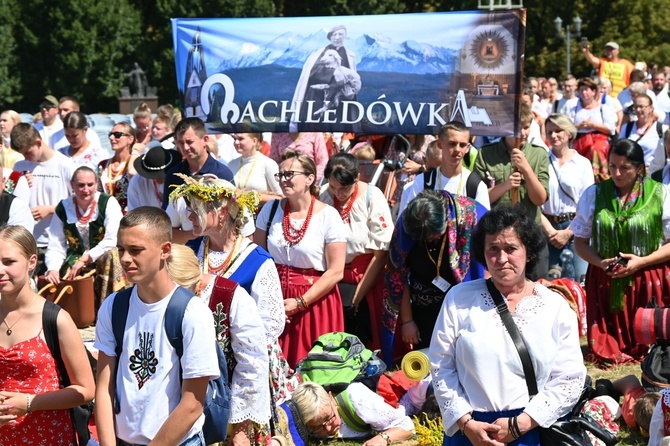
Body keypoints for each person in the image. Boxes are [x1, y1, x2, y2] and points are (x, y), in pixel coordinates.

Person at [430, 205, 586, 445]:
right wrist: (466, 423)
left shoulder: (554, 307)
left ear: (529, 252)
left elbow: (570, 377)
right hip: (470, 433)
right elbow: (441, 366)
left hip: (530, 430)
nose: (501, 259)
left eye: (511, 248)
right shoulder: (458, 299)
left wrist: (521, 423)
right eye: (493, 249)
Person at [94, 206, 219, 446]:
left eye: (135, 250)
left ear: (165, 250)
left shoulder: (191, 313)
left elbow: (192, 404)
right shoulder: (114, 306)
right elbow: (104, 387)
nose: (124, 259)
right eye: (121, 249)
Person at [171, 174, 300, 403]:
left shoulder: (258, 260)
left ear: (221, 213)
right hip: (193, 356)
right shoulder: (191, 249)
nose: (189, 215)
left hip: (241, 365)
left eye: (196, 209)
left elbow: (270, 326)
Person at [571, 139, 670, 366]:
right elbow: (580, 242)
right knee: (608, 346)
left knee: (650, 339)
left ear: (639, 168)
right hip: (606, 276)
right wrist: (600, 263)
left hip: (648, 276)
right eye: (612, 166)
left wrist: (642, 261)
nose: (616, 173)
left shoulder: (660, 194)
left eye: (624, 168)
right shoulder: (594, 194)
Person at [166, 245, 271, 446]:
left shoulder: (232, 297)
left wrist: (240, 429)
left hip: (225, 412)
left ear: (195, 287)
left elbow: (252, 365)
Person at [0, 225, 95, 445]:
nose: (0, 270)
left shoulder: (55, 319)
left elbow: (86, 389)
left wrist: (31, 402)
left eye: (9, 262)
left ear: (32, 262)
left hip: (48, 437)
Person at [255, 149, 347, 368]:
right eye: (280, 174)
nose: (283, 180)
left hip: (314, 302)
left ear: (309, 178)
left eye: (289, 174)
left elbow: (336, 271)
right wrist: (269, 303)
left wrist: (300, 302)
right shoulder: (270, 210)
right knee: (274, 369)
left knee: (312, 372)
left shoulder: (328, 216)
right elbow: (257, 259)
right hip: (275, 297)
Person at [383, 190, 486, 361]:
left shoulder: (474, 217)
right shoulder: (408, 222)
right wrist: (407, 321)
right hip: (423, 308)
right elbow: (397, 275)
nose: (430, 241)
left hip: (465, 307)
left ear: (446, 219)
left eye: (434, 236)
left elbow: (489, 268)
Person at [319, 153, 394, 350]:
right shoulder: (325, 196)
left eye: (344, 188)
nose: (338, 193)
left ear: (357, 178)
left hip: (367, 275)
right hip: (334, 275)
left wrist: (357, 297)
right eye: (333, 187)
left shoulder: (372, 196)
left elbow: (381, 253)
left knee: (366, 336)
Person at [473, 103, 549, 278]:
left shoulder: (539, 154)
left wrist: (527, 170)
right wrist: (506, 185)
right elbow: (479, 199)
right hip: (497, 236)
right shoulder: (486, 154)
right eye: (516, 128)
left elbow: (540, 199)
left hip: (530, 232)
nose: (521, 133)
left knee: (535, 285)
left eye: (526, 127)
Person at [11, 123, 76, 275]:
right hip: (28, 242)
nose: (26, 157)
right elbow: (12, 200)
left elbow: (78, 201)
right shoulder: (19, 166)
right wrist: (20, 186)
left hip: (56, 243)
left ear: (38, 143)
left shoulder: (65, 165)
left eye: (28, 152)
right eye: (22, 154)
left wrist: (50, 209)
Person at [44, 166, 123, 289]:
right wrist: (53, 269)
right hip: (74, 260)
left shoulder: (108, 203)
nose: (86, 190)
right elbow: (56, 244)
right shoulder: (63, 207)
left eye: (90, 184)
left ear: (96, 184)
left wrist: (86, 258)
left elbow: (113, 239)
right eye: (81, 185)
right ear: (72, 185)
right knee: (63, 281)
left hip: (103, 258)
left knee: (112, 255)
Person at [540, 114, 594, 282]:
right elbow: (534, 200)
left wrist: (568, 232)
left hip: (576, 228)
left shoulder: (582, 163)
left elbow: (589, 203)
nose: (553, 136)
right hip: (548, 228)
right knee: (548, 283)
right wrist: (551, 231)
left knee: (579, 280)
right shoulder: (542, 161)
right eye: (550, 132)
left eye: (558, 131)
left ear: (569, 133)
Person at [399, 122, 489, 216]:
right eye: (452, 144)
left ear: (467, 148)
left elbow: (484, 226)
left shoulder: (476, 186)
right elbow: (406, 222)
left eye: (462, 145)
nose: (457, 149)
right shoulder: (422, 181)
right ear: (440, 144)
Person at [289, 382, 415, 443]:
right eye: (317, 427)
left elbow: (407, 425)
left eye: (329, 417)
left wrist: (382, 438)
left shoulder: (359, 401)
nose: (328, 428)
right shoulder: (299, 416)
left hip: (407, 396)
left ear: (331, 398)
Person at [290, 25, 358, 131]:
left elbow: (353, 80)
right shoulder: (318, 53)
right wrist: (333, 72)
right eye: (334, 34)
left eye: (340, 34)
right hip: (317, 99)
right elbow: (312, 72)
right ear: (330, 37)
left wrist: (351, 94)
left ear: (345, 36)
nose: (337, 37)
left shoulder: (350, 56)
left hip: (340, 103)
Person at [567, 77, 617, 182]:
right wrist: (578, 127)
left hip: (599, 140)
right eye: (581, 90)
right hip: (580, 141)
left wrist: (593, 125)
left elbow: (611, 129)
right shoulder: (574, 109)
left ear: (594, 92)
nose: (584, 93)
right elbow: (567, 128)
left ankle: (600, 178)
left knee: (595, 150)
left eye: (586, 90)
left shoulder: (603, 108)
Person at [619, 92, 667, 175]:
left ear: (651, 108)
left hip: (653, 174)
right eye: (636, 106)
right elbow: (618, 150)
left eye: (641, 107)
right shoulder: (627, 127)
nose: (638, 110)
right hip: (630, 174)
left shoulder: (661, 129)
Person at [98, 123, 140, 213]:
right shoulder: (102, 165)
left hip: (128, 217)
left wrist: (135, 152)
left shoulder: (134, 164)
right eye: (110, 134)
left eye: (117, 135)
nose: (111, 138)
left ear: (130, 139)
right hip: (105, 216)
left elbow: (132, 173)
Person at [127, 142, 182, 210]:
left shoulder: (179, 178)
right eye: (153, 176)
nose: (158, 180)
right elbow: (133, 211)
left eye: (162, 176)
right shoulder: (137, 181)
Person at [230, 132, 282, 202]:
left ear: (254, 141)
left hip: (262, 211)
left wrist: (253, 196)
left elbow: (281, 197)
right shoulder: (231, 164)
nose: (236, 142)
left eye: (241, 139)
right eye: (234, 139)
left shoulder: (268, 164)